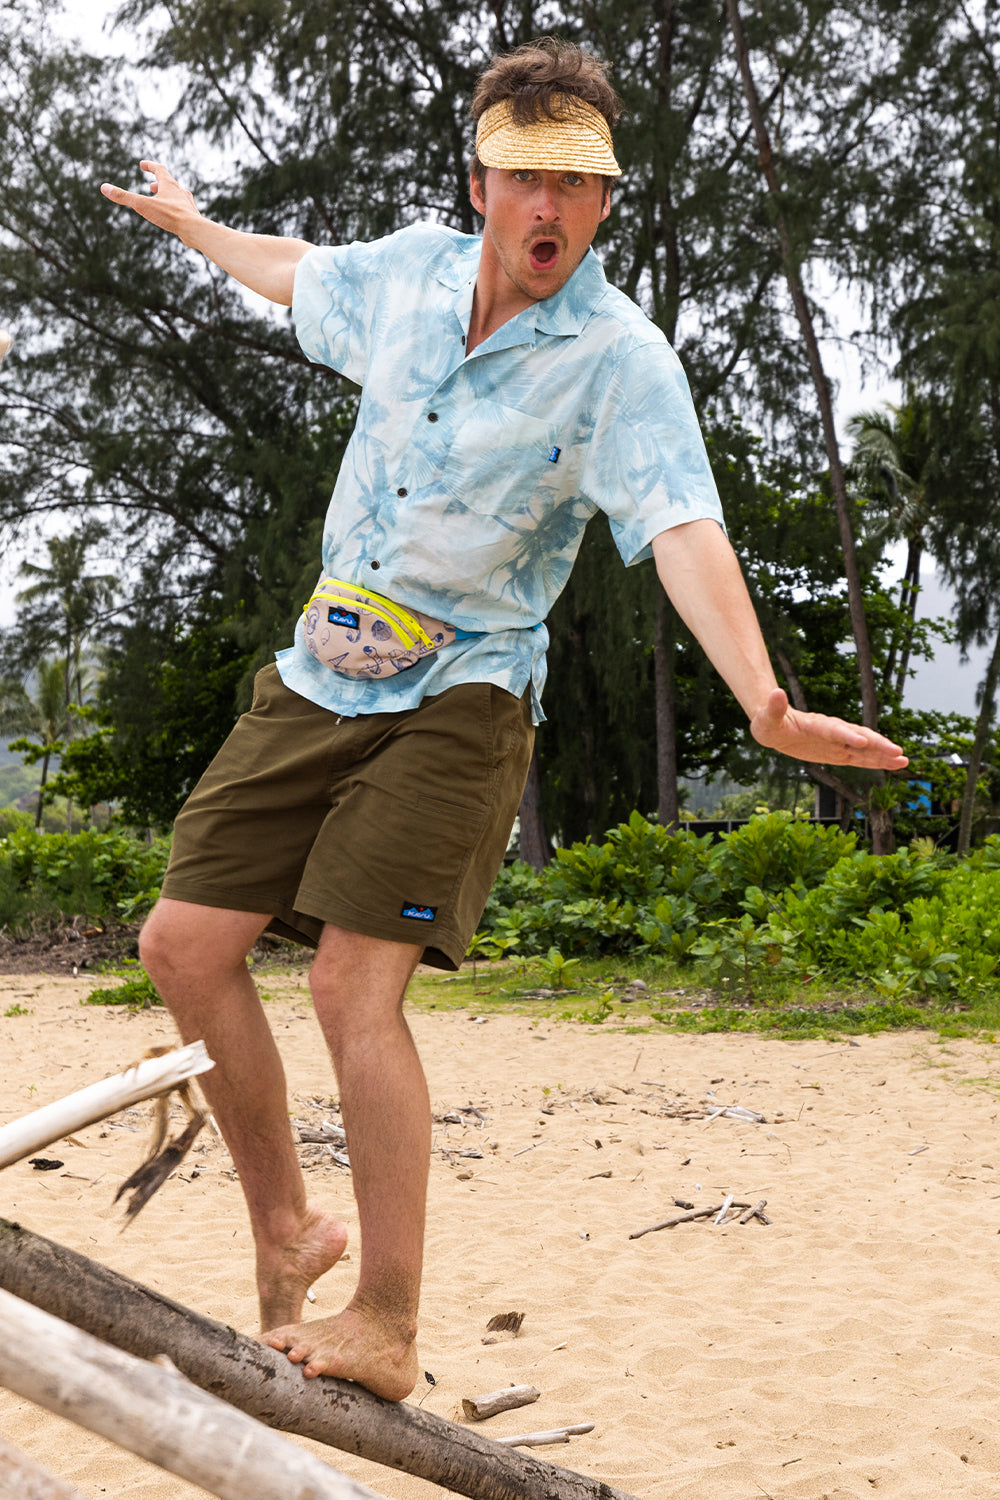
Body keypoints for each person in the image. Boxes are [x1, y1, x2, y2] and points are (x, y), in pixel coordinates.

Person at [101, 38, 907, 1403]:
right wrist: (195, 227)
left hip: (465, 686)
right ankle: (286, 1225)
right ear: (480, 183)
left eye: (578, 185)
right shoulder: (409, 275)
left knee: (353, 984)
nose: (551, 207)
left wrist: (763, 700)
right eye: (527, 177)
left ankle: (388, 1318)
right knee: (182, 945)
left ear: (605, 201)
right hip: (325, 662)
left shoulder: (619, 360)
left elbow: (683, 527)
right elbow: (299, 272)